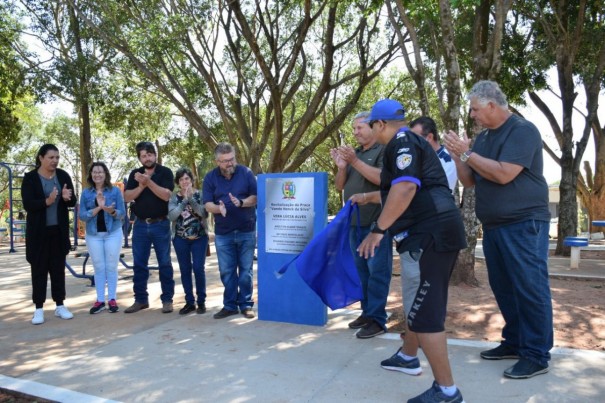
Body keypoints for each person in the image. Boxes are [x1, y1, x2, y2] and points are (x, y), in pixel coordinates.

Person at [356, 99, 467, 403]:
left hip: (431, 234)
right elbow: (391, 184)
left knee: (424, 316)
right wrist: (367, 196)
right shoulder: (405, 145)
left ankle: (447, 391)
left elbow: (404, 188)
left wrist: (378, 230)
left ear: (380, 124)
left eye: (368, 126)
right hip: (434, 234)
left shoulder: (402, 141)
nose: (367, 132)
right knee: (421, 309)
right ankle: (408, 358)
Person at [444, 80, 553, 379]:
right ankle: (515, 342)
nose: (473, 116)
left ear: (492, 105)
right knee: (505, 288)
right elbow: (469, 181)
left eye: (475, 110)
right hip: (494, 227)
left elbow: (505, 174)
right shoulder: (482, 139)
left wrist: (467, 154)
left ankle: (536, 355)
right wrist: (458, 153)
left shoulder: (523, 130)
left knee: (530, 288)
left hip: (524, 224)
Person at [330, 111, 393, 339]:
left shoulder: (384, 150)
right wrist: (342, 166)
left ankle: (377, 319)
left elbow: (384, 180)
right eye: (354, 128)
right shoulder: (354, 154)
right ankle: (367, 313)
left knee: (378, 272)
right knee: (361, 272)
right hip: (354, 224)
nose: (355, 133)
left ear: (373, 127)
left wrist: (354, 161)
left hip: (376, 223)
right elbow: (339, 187)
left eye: (359, 128)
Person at [21, 144, 77, 325]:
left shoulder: (62, 176)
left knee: (57, 269)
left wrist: (68, 197)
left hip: (58, 231)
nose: (54, 161)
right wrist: (48, 201)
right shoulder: (30, 178)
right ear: (41, 158)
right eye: (51, 157)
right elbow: (28, 204)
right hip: (38, 233)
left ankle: (60, 305)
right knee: (39, 270)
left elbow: (72, 200)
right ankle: (38, 308)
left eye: (57, 158)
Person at [203, 142, 257, 319]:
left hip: (246, 230)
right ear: (217, 161)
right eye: (225, 161)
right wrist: (219, 209)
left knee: (246, 271)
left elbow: (255, 197)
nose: (230, 163)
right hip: (223, 232)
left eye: (232, 159)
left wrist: (241, 203)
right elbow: (208, 204)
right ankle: (230, 305)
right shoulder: (210, 178)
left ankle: (246, 304)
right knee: (227, 271)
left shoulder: (246, 173)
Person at [124, 141, 175, 314]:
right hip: (139, 225)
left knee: (164, 263)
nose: (147, 158)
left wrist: (149, 182)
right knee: (139, 264)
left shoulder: (165, 172)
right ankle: (140, 300)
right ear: (139, 158)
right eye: (143, 156)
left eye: (149, 154)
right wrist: (140, 186)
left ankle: (167, 300)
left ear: (155, 155)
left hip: (160, 224)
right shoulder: (134, 174)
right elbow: (126, 197)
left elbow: (167, 195)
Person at [79, 162, 126, 314]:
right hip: (93, 235)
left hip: (113, 233)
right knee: (99, 267)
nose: (97, 174)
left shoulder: (115, 191)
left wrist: (110, 211)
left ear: (105, 174)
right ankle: (100, 300)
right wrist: (98, 208)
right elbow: (82, 216)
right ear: (90, 174)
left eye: (100, 172)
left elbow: (122, 214)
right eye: (94, 172)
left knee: (111, 266)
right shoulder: (86, 193)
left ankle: (112, 299)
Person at [168, 168, 209, 315]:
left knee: (198, 268)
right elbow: (172, 216)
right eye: (181, 179)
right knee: (185, 270)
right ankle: (189, 302)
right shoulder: (174, 197)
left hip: (200, 238)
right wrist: (184, 200)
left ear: (191, 179)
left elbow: (204, 213)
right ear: (178, 182)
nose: (185, 182)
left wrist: (191, 199)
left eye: (187, 178)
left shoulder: (200, 194)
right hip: (180, 239)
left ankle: (201, 301)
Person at [409, 116, 458, 193]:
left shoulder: (448, 161)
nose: (411, 142)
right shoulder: (417, 157)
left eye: (415, 138)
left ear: (429, 137)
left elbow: (440, 192)